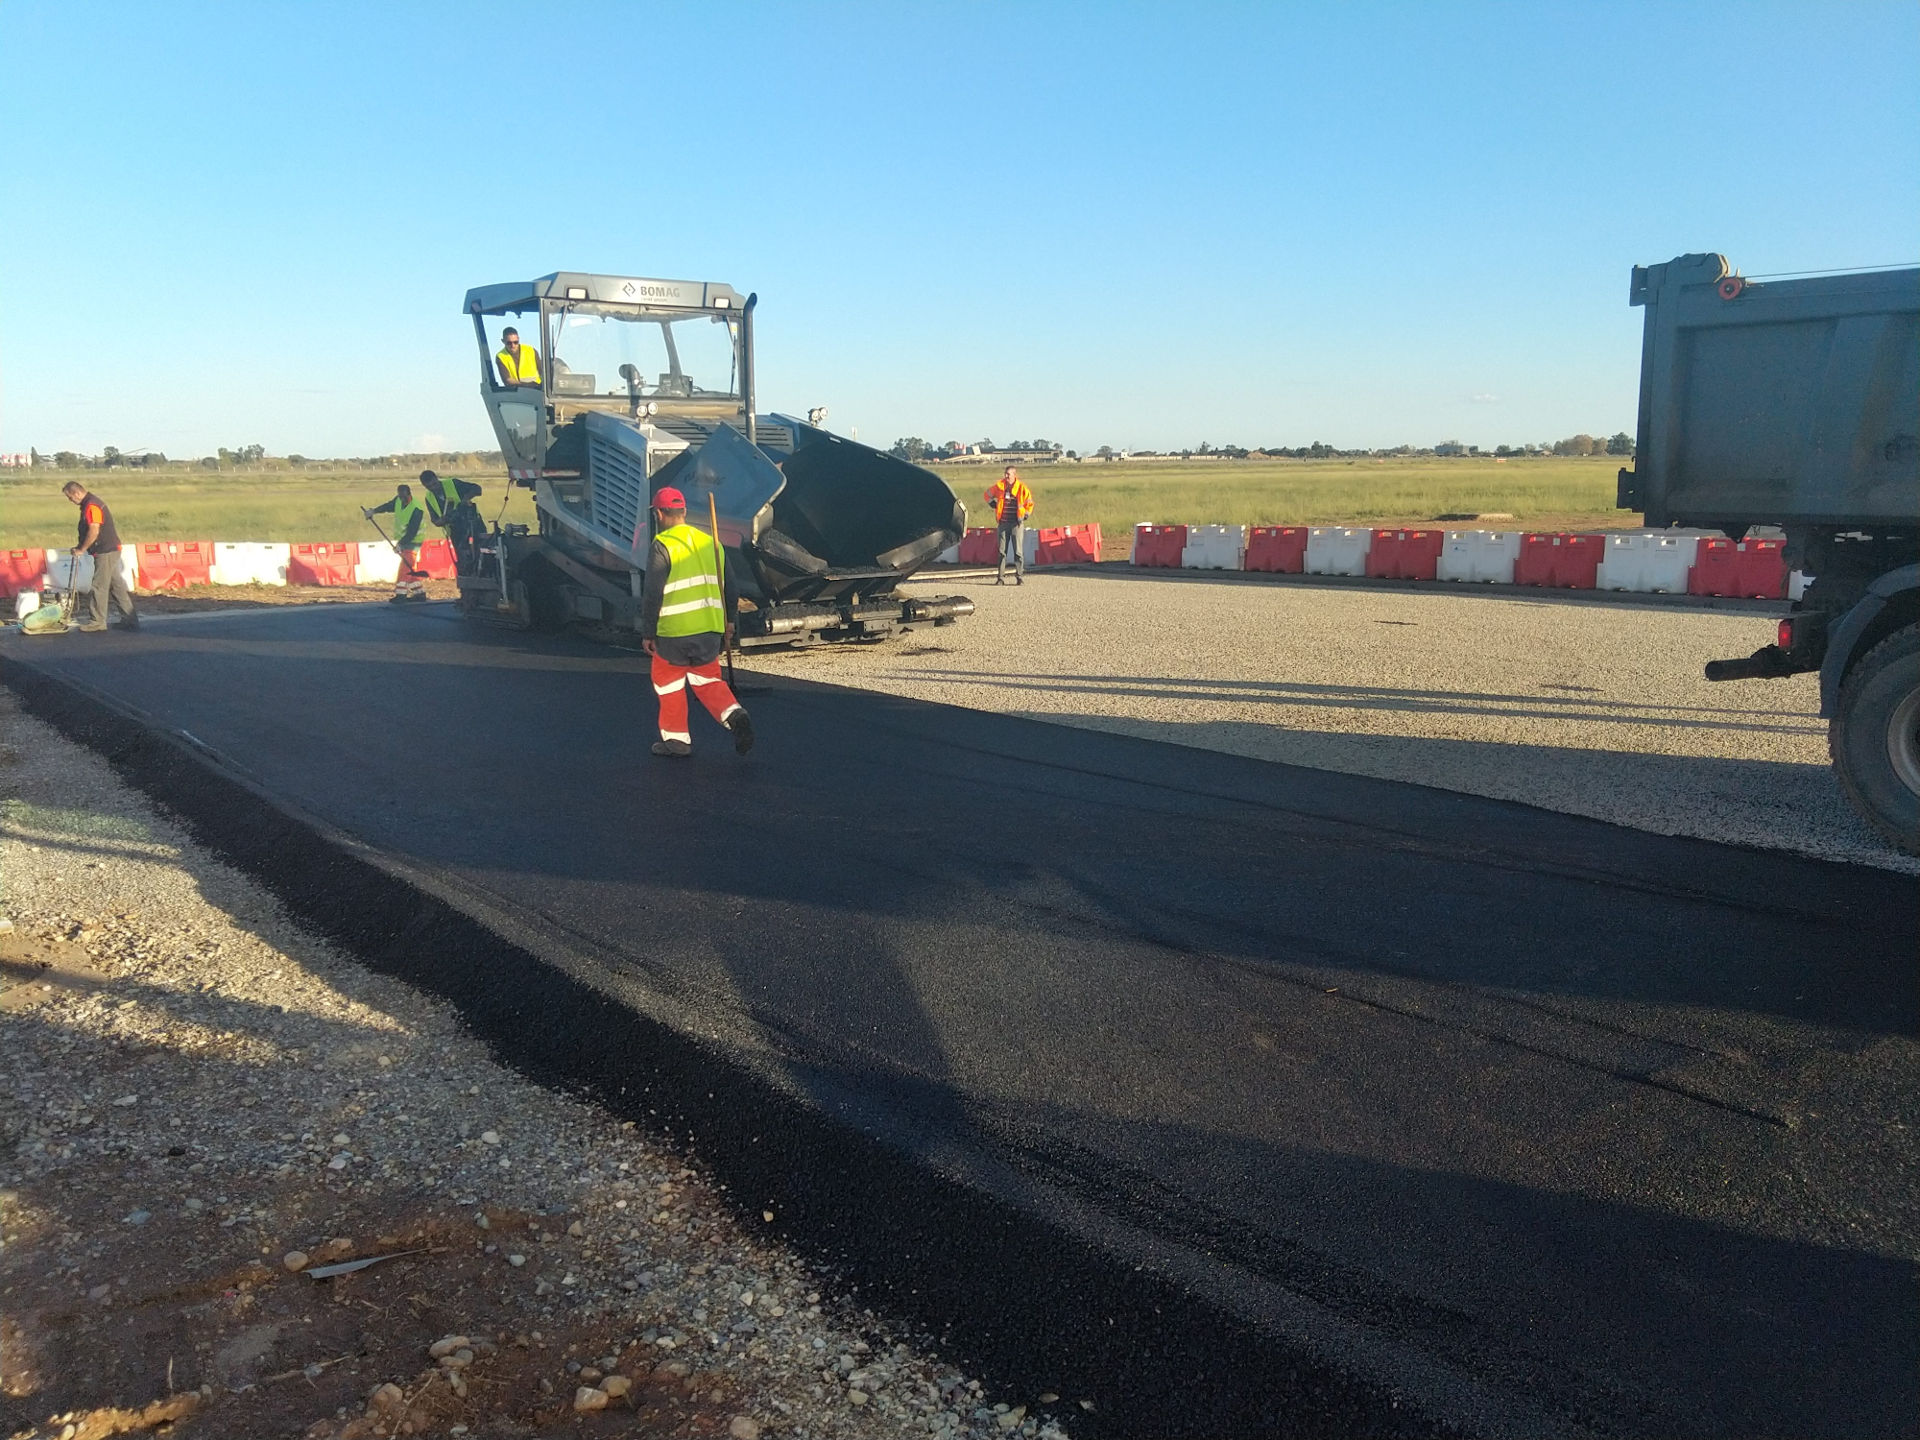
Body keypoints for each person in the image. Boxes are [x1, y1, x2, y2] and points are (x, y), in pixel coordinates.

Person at [639, 485, 753, 758]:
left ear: (659, 515)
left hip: (673, 634)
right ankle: (735, 715)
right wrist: (730, 622)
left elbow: (653, 593)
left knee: (669, 683)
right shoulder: (711, 543)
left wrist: (648, 632)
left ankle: (677, 742)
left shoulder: (663, 545)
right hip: (709, 632)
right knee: (708, 681)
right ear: (685, 512)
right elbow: (732, 589)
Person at [62, 481, 138, 631]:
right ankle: (129, 619)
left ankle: (97, 621)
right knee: (116, 586)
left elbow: (94, 530)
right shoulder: (89, 504)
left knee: (99, 586)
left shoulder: (92, 505)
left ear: (77, 493)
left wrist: (81, 549)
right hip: (109, 549)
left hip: (106, 551)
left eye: (70, 497)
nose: (70, 501)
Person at [363, 483, 430, 602]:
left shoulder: (416, 509)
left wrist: (400, 544)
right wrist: (373, 511)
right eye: (400, 497)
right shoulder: (398, 500)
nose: (402, 500)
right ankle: (419, 593)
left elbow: (412, 531)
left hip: (414, 540)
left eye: (404, 497)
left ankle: (401, 595)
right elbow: (388, 506)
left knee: (405, 568)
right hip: (404, 540)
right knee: (409, 567)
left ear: (409, 495)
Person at [417, 469, 485, 574]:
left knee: (482, 554)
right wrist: (442, 520)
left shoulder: (453, 484)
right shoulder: (429, 498)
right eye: (429, 487)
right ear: (425, 486)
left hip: (473, 524)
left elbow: (477, 489)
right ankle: (467, 580)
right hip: (455, 531)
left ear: (436, 478)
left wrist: (465, 499)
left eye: (434, 484)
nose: (433, 488)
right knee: (463, 561)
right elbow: (435, 520)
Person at [984, 465, 1035, 584]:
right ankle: (1000, 578)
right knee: (1002, 552)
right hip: (1003, 523)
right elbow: (987, 494)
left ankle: (1019, 576)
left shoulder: (1022, 488)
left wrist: (1026, 514)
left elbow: (1030, 503)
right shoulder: (999, 486)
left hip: (1016, 524)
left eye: (1008, 474)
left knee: (1018, 551)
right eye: (1005, 474)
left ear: (1014, 475)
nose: (1006, 476)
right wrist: (992, 503)